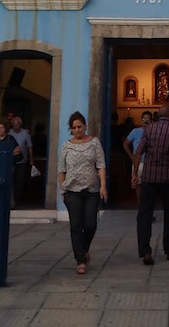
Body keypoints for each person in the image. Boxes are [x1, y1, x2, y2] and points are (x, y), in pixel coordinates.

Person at [132, 103, 169, 265]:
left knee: (145, 214)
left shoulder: (148, 129)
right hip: (168, 178)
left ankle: (145, 252)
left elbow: (138, 152)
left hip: (149, 178)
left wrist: (135, 173)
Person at [58, 111, 107, 274]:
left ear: (85, 126)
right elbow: (61, 169)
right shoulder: (66, 146)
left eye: (80, 126)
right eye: (74, 128)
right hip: (72, 191)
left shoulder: (94, 143)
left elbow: (100, 164)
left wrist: (103, 186)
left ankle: (84, 249)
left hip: (91, 190)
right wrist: (62, 188)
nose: (77, 130)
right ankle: (80, 259)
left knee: (90, 224)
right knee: (76, 226)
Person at [123, 110, 153, 205]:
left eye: (148, 118)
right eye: (144, 118)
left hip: (150, 163)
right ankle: (141, 208)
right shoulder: (135, 131)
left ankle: (148, 210)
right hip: (138, 163)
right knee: (138, 186)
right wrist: (131, 156)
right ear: (141, 119)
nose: (146, 120)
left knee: (149, 188)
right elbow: (125, 144)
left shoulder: (153, 132)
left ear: (151, 120)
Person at [9, 115, 34, 208]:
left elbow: (29, 146)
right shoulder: (9, 133)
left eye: (17, 125)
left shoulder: (25, 133)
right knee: (12, 181)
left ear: (20, 125)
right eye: (14, 125)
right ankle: (12, 201)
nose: (16, 126)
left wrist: (31, 158)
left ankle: (17, 200)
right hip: (11, 161)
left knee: (19, 182)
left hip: (22, 161)